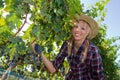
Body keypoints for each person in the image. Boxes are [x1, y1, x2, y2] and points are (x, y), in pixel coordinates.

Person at [32, 14, 106, 80]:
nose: (77, 30)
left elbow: (99, 76)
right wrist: (40, 53)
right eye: (75, 26)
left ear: (88, 33)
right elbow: (53, 69)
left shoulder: (92, 50)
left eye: (82, 28)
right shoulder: (67, 45)